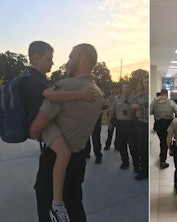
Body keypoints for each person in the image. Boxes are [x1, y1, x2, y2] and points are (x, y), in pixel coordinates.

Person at [21, 41, 96, 222]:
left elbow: (34, 130)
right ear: (36, 58)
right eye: (50, 59)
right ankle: (59, 205)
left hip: (52, 157)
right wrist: (82, 94)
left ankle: (56, 205)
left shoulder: (61, 85)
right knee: (75, 203)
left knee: (45, 203)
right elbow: (52, 96)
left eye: (70, 57)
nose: (57, 63)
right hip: (78, 159)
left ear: (83, 59)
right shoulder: (96, 91)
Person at [108, 82, 139, 171]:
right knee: (122, 145)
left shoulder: (135, 98)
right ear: (122, 89)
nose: (125, 89)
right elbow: (111, 110)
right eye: (124, 87)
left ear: (131, 88)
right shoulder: (116, 98)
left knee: (133, 146)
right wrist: (109, 121)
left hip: (131, 124)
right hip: (120, 124)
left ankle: (136, 165)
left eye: (127, 87)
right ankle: (125, 162)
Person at [150, 88, 177, 169]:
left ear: (160, 93)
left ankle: (161, 155)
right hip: (168, 124)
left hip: (158, 124)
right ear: (167, 94)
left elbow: (150, 112)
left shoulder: (154, 101)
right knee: (165, 141)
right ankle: (163, 161)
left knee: (162, 140)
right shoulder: (171, 102)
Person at [131, 76, 149, 180]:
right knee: (142, 148)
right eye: (145, 82)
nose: (146, 84)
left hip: (149, 123)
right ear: (143, 84)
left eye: (148, 82)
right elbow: (132, 106)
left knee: (147, 149)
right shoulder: (139, 95)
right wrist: (136, 106)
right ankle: (143, 171)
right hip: (141, 124)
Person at [104, 86, 121, 150]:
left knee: (118, 133)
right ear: (113, 90)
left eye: (118, 88)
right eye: (115, 89)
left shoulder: (121, 97)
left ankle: (117, 146)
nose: (116, 90)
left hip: (118, 116)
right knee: (110, 132)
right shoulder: (110, 98)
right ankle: (107, 145)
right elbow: (107, 105)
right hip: (111, 116)